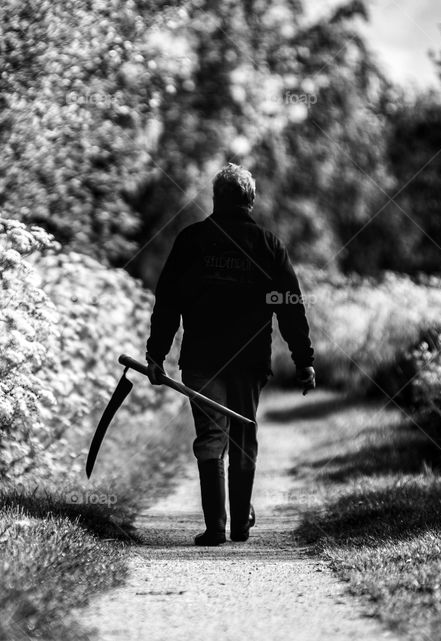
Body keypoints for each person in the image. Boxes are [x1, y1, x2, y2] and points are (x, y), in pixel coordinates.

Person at [145, 163, 315, 546]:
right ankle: (239, 525)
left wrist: (156, 354)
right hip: (250, 360)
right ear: (251, 201)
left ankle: (216, 528)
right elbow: (290, 305)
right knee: (242, 434)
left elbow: (168, 302)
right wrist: (303, 359)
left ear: (215, 198)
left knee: (211, 436)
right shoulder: (268, 245)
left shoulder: (191, 240)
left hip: (202, 359)